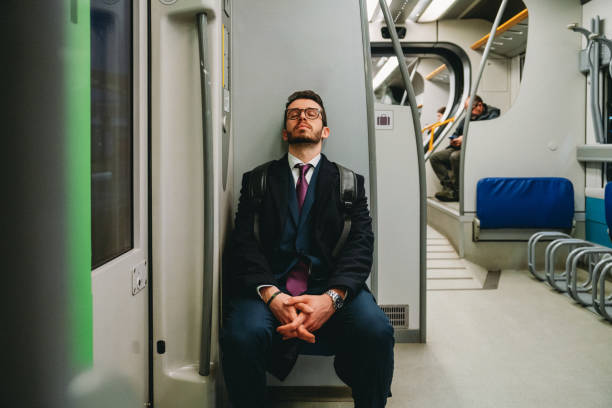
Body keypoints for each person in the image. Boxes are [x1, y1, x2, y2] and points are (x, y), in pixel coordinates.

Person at [221, 90, 394, 408]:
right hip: (269, 287)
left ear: (325, 131)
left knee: (376, 330)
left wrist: (331, 299)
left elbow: (360, 245)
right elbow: (244, 244)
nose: (303, 117)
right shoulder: (257, 181)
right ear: (286, 131)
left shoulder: (349, 183)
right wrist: (272, 296)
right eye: (294, 113)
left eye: (312, 113)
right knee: (241, 335)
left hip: (330, 288)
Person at [430, 95, 500, 202]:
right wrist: (454, 140)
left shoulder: (493, 114)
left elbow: (488, 133)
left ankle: (457, 192)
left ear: (479, 105)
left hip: (477, 148)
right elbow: (456, 132)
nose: (469, 113)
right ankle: (449, 188)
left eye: (470, 110)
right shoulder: (467, 116)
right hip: (462, 147)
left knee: (455, 156)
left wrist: (465, 137)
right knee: (435, 157)